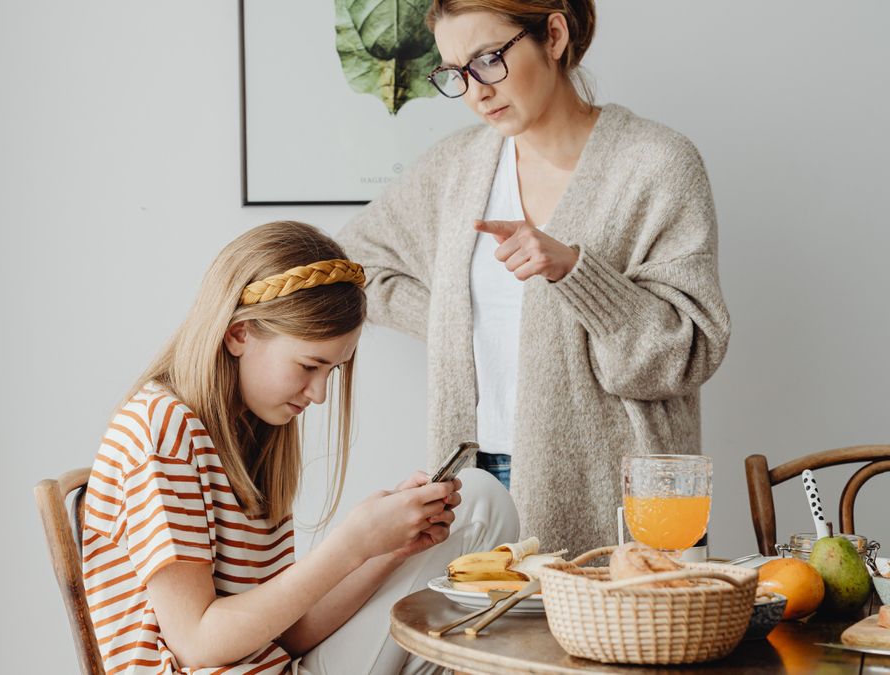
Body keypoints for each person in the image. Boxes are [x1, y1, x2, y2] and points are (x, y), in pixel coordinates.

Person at [338, 0, 730, 558]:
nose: (475, 91)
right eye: (455, 72)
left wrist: (575, 271)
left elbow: (685, 354)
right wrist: (458, 321)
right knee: (478, 640)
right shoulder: (457, 167)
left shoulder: (656, 163)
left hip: (613, 490)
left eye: (488, 59)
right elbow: (354, 263)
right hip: (475, 480)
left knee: (606, 642)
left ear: (552, 34)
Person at [80, 221, 519, 674]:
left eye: (331, 371)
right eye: (310, 366)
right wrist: (352, 543)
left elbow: (286, 634)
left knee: (481, 500)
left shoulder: (250, 433)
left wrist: (387, 549)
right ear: (239, 334)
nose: (319, 394)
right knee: (481, 507)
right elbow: (196, 645)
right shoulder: (164, 429)